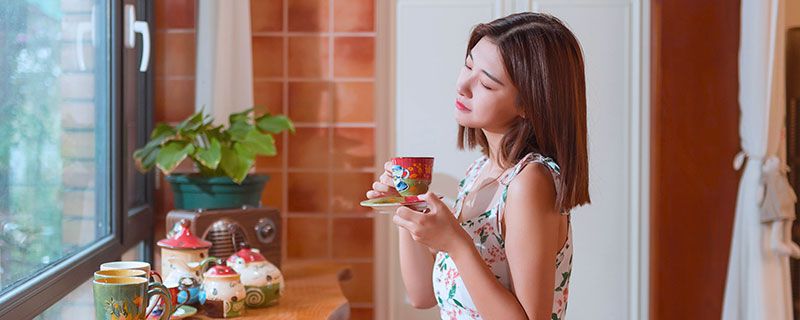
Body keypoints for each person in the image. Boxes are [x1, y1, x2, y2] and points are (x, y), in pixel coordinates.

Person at [366, 12, 591, 320]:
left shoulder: (529, 182)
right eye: (468, 65)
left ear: (529, 104)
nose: (463, 85)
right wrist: (407, 203)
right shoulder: (479, 173)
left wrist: (456, 244)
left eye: (485, 83)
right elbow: (422, 295)